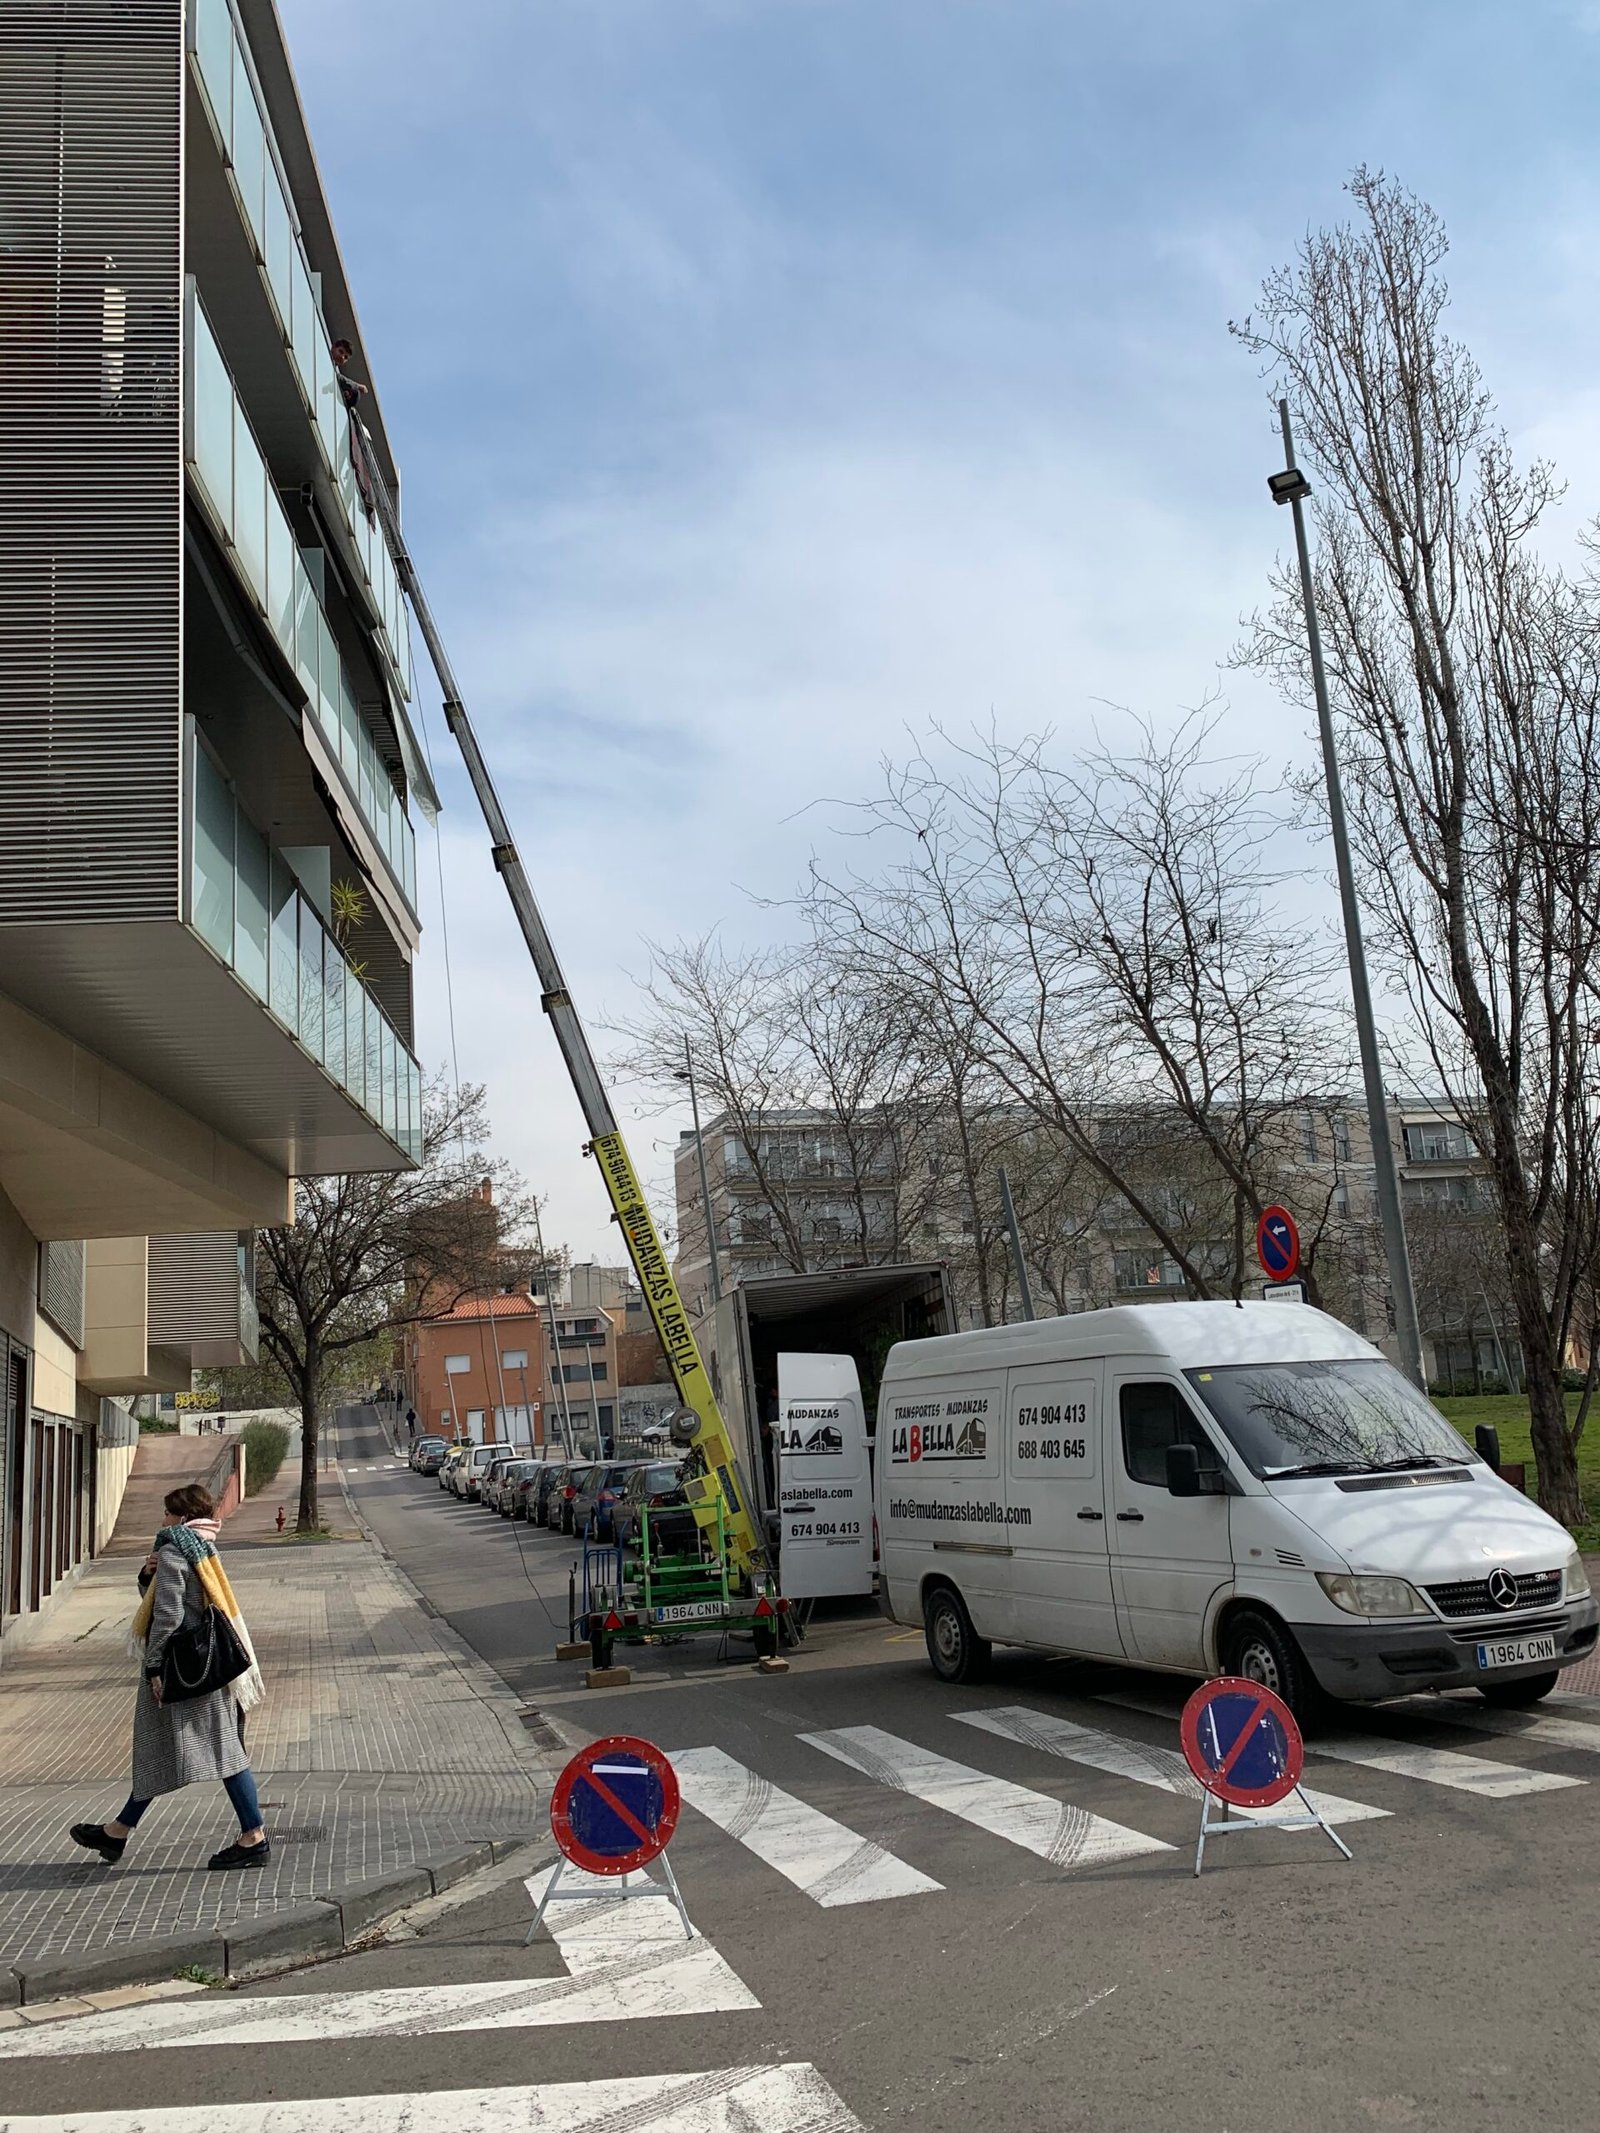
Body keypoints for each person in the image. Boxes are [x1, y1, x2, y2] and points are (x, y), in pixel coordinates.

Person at [68, 1484, 268, 1873]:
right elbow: (176, 1598)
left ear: (182, 1516)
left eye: (167, 1512)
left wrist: (155, 1667)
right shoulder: (201, 1544)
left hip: (184, 1670)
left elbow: (170, 1614)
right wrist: (148, 1576)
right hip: (208, 1665)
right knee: (166, 1750)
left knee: (223, 1753)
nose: (162, 1519)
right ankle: (118, 1831)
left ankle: (254, 1836)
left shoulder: (176, 1548)